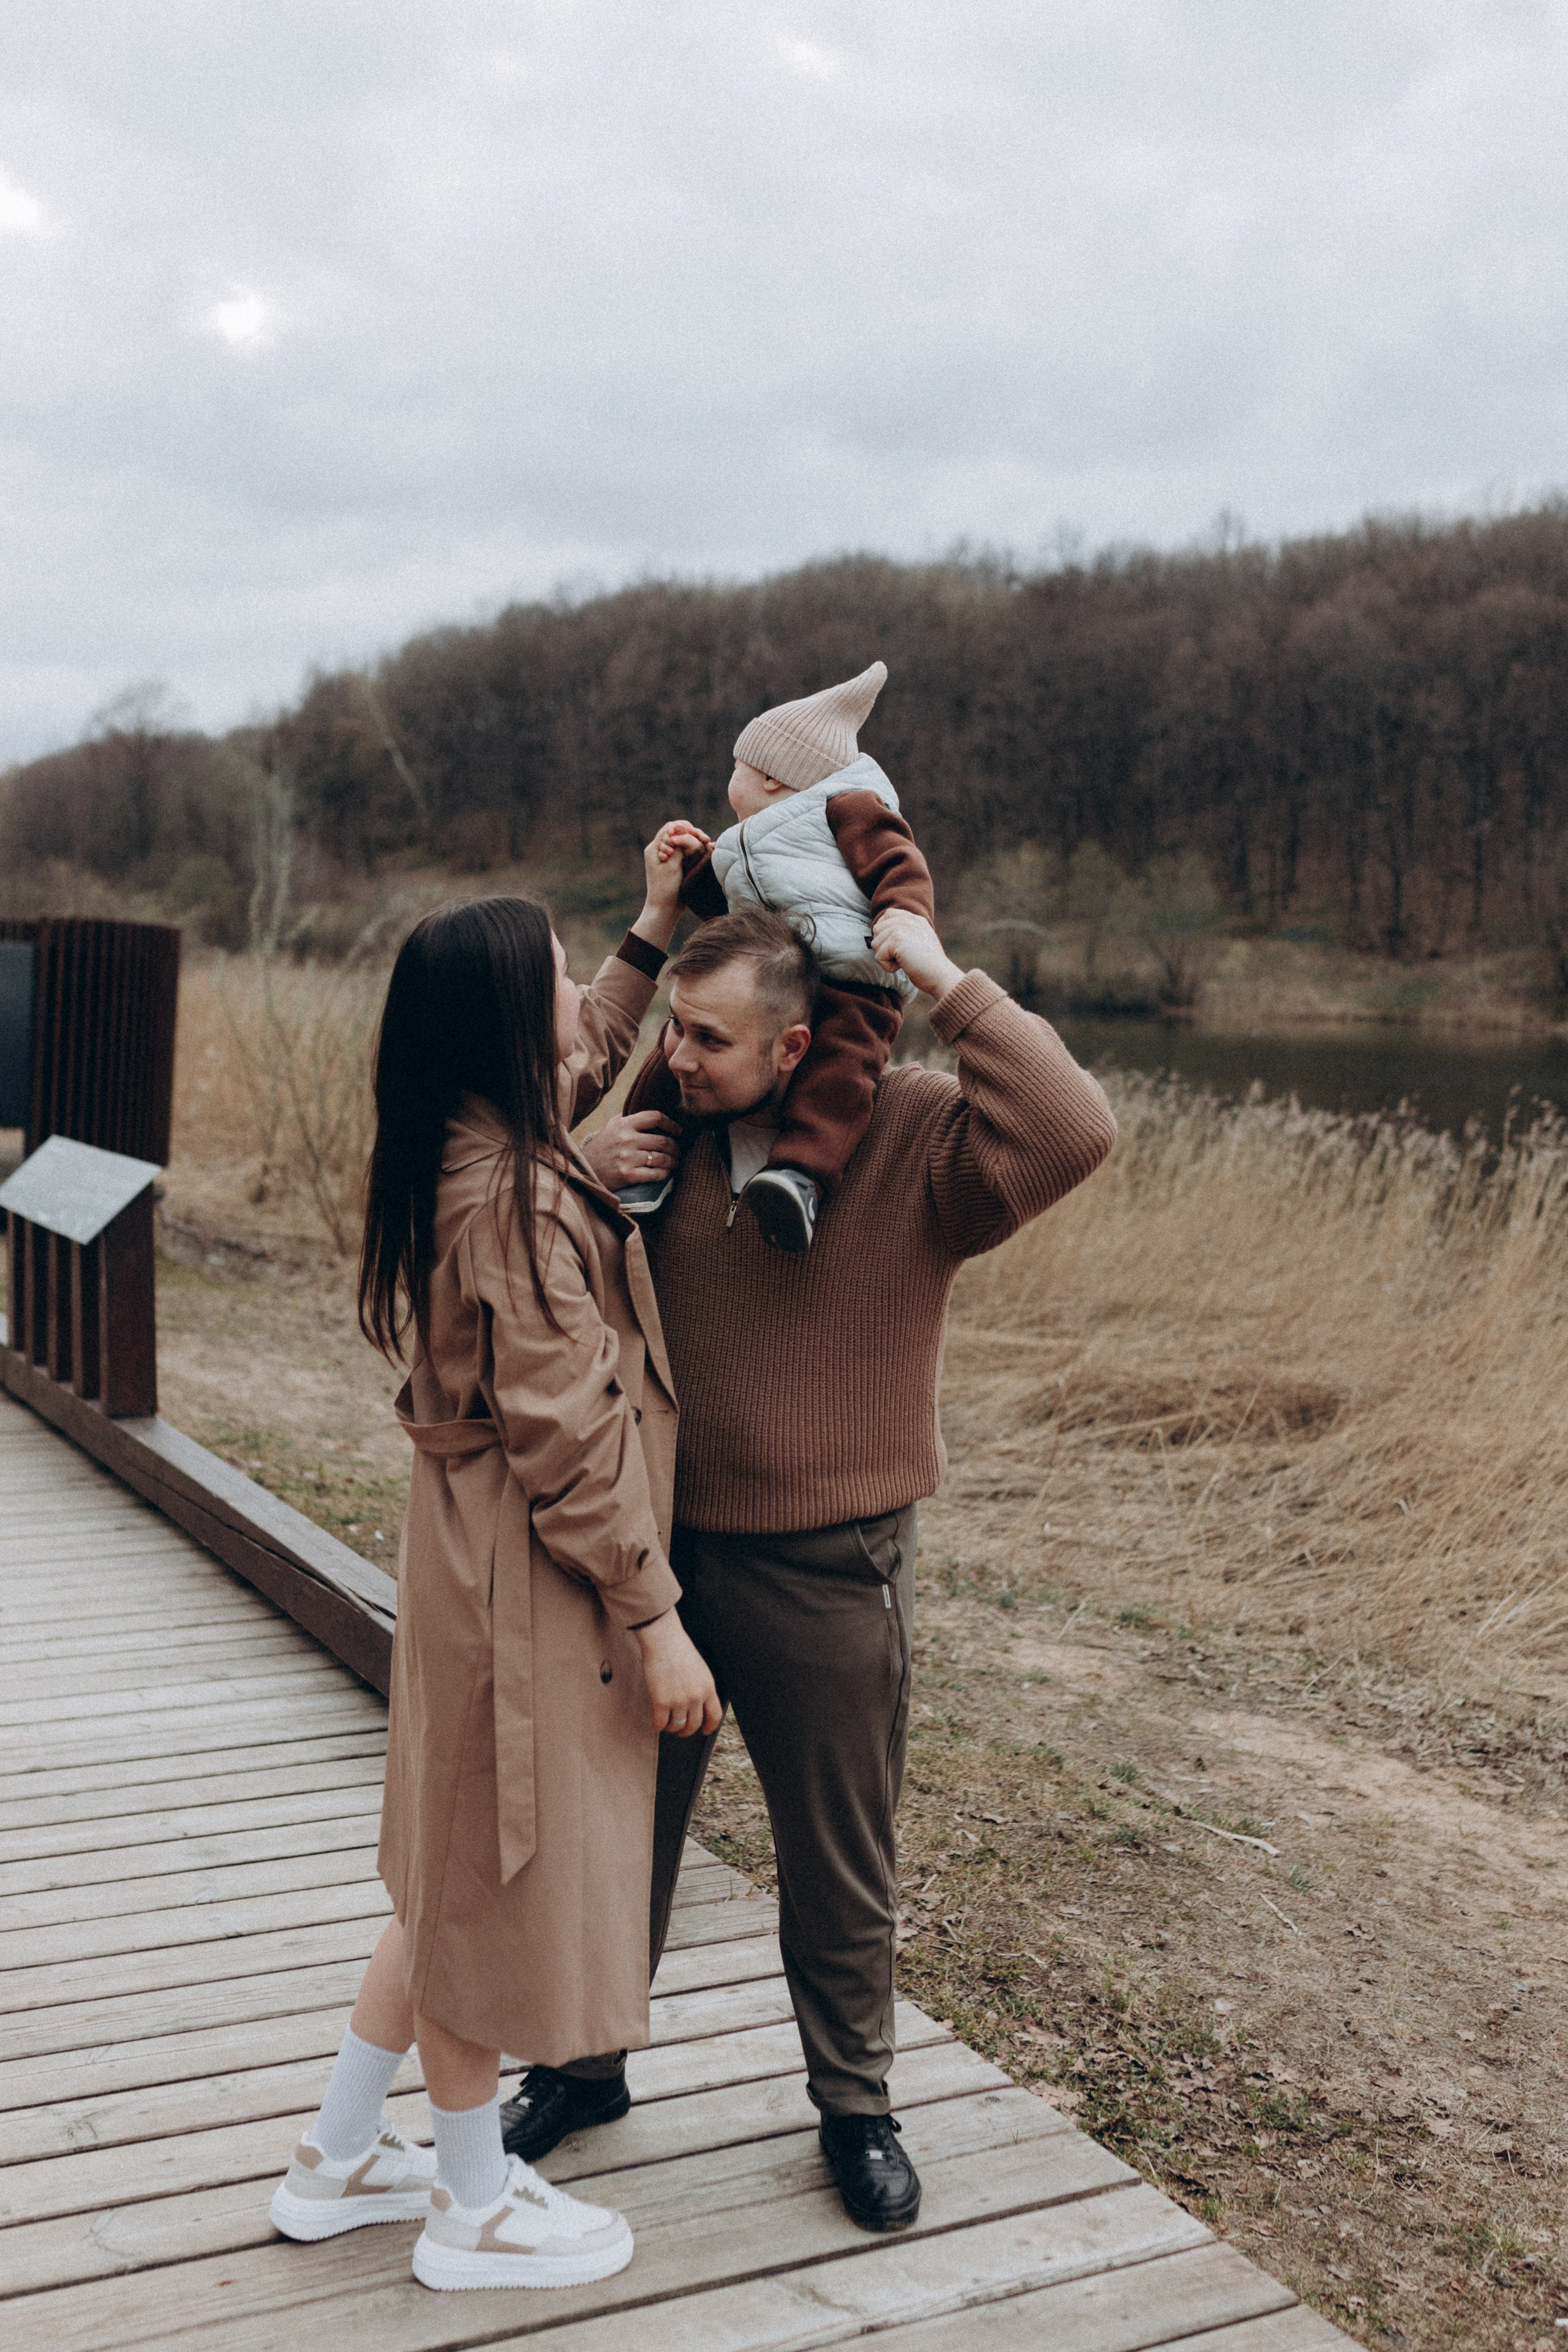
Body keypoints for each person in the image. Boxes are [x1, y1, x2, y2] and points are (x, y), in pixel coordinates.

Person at [503, 902, 1117, 2233]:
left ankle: (854, 2106)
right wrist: (577, 1175)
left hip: (832, 1567)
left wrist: (941, 977)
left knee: (838, 1860)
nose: (676, 1056)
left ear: (794, 1046)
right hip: (658, 1564)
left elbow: (1074, 1129)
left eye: (709, 1039)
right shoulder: (654, 1138)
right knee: (616, 1834)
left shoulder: (913, 1136)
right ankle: (582, 2065)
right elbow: (509, 1217)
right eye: (674, 1027)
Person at [267, 862, 720, 2293]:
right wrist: (654, 1620)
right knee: (473, 1890)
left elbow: (588, 1044)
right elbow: (569, 1437)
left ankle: (340, 2154)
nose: (578, 993)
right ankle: (471, 2208)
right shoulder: (515, 1201)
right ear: (503, 1026)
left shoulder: (464, 1140)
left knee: (440, 1867)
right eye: (556, 976)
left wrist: (653, 927)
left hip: (463, 1549)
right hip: (516, 1575)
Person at [617, 660, 934, 1252]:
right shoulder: (749, 841)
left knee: (839, 1074)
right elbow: (728, 909)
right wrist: (690, 869)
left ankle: (798, 1179)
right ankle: (643, 1163)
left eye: (736, 768)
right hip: (772, 972)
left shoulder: (847, 808)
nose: (729, 780)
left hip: (854, 979)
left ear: (770, 776)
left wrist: (904, 916)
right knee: (672, 1061)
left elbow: (899, 864)